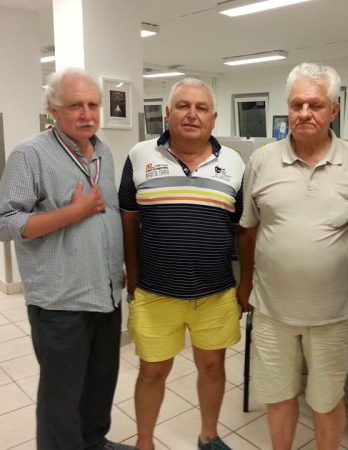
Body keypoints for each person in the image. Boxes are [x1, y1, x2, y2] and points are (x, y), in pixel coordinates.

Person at [237, 62, 348, 450]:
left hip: (332, 313)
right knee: (279, 397)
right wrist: (245, 284)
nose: (304, 113)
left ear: (334, 109)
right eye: (296, 104)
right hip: (272, 311)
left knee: (326, 401)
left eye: (315, 105)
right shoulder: (261, 161)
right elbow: (248, 229)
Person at [0, 68, 133, 450]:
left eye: (93, 105)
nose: (87, 114)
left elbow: (108, 214)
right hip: (60, 302)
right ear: (53, 110)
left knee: (100, 384)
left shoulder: (102, 151)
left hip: (105, 292)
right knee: (61, 398)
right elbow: (4, 224)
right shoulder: (30, 154)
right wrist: (73, 212)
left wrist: (116, 263)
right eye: (75, 106)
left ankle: (94, 442)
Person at [119, 78, 244, 450]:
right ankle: (144, 443)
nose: (192, 114)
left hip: (215, 291)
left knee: (212, 367)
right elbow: (128, 220)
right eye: (183, 106)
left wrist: (247, 283)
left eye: (201, 108)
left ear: (213, 118)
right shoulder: (139, 155)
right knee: (153, 371)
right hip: (156, 290)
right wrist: (133, 272)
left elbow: (243, 229)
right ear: (168, 113)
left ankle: (209, 435)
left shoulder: (235, 163)